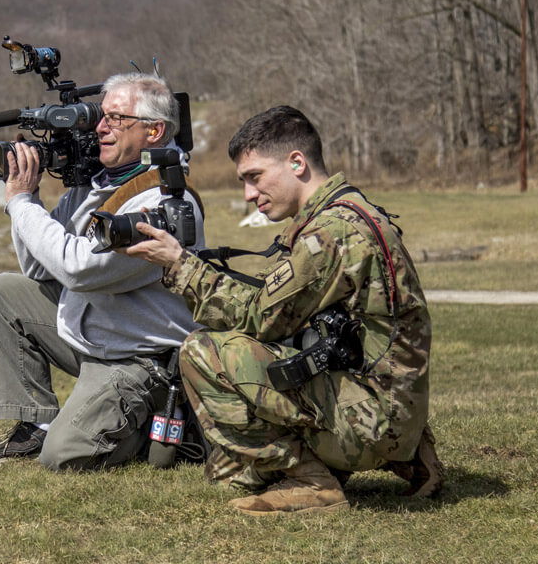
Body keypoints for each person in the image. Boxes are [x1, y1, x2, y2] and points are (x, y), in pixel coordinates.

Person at [123, 105, 443, 515]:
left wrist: (178, 264)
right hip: (400, 414)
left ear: (296, 162)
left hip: (373, 424)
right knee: (229, 471)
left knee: (202, 351)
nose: (249, 195)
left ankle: (312, 483)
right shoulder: (355, 211)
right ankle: (412, 458)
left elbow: (259, 320)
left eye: (254, 177)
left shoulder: (329, 235)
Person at [0, 73, 206, 470]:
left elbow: (81, 270)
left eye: (115, 118)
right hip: (95, 336)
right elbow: (36, 267)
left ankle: (159, 422)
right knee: (3, 292)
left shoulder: (167, 201)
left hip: (139, 357)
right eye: (101, 116)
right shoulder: (96, 187)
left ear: (155, 131)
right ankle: (34, 426)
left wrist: (22, 204)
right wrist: (31, 195)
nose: (100, 127)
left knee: (64, 456)